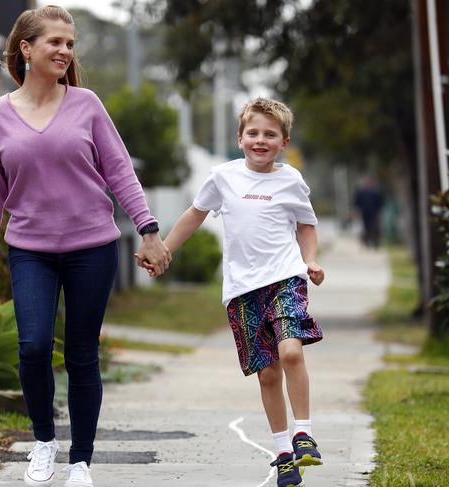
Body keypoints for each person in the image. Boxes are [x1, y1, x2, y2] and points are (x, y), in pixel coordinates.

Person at [0, 6, 171, 487]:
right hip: (30, 249)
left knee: (82, 354)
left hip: (92, 248)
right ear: (26, 48)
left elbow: (120, 171)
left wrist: (148, 228)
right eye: (55, 42)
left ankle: (80, 462)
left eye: (70, 44)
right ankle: (44, 442)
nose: (64, 51)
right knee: (33, 346)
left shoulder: (87, 105)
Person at [140, 98, 325, 487]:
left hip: (286, 278)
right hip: (242, 290)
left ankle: (303, 433)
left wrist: (310, 261)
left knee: (291, 351)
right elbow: (195, 214)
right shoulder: (223, 177)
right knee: (268, 374)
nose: (261, 140)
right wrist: (167, 249)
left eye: (270, 134)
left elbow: (306, 224)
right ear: (240, 138)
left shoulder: (291, 180)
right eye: (253, 133)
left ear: (284, 141)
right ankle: (283, 454)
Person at [353, 175, 384, 248]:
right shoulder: (361, 192)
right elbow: (357, 202)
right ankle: (367, 241)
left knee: (374, 227)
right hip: (364, 213)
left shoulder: (376, 192)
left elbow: (380, 203)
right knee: (366, 228)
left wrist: (380, 212)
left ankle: (375, 242)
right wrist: (356, 212)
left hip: (374, 213)